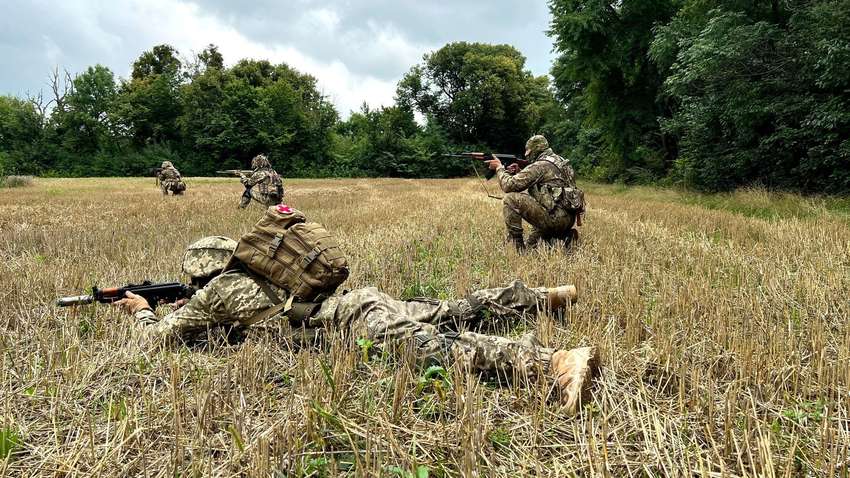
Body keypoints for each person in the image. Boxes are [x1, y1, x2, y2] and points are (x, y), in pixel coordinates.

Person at [114, 236, 600, 413]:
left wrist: (141, 310)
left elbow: (159, 340)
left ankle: (551, 361)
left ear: (202, 273)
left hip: (349, 323)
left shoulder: (216, 293)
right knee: (451, 308)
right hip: (358, 302)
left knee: (438, 347)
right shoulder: (265, 273)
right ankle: (544, 296)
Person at [486, 135, 584, 251]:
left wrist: (499, 168)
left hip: (554, 218)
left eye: (528, 151)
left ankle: (516, 246)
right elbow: (547, 185)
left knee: (510, 199)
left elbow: (509, 185)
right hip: (568, 219)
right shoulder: (561, 161)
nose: (526, 154)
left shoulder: (540, 165)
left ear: (536, 149)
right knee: (533, 246)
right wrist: (520, 172)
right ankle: (565, 236)